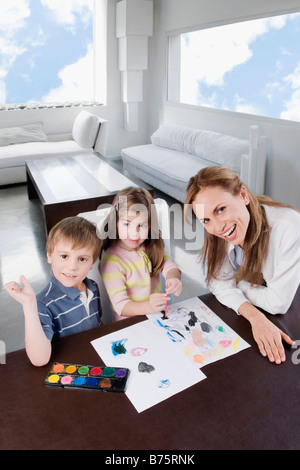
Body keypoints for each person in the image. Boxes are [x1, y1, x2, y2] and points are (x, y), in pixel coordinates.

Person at [185, 165, 300, 365]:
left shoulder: (288, 228)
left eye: (221, 209)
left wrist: (236, 283)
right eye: (206, 220)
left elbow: (277, 303)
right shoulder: (220, 229)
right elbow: (217, 282)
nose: (217, 226)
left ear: (243, 195)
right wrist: (254, 316)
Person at [5, 216, 102, 367]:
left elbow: (97, 326)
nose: (72, 266)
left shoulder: (93, 287)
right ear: (49, 255)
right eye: (64, 256)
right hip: (69, 369)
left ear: (92, 263)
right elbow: (39, 360)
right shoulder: (43, 305)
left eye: (82, 259)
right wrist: (29, 305)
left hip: (97, 359)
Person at [99, 187, 182, 321]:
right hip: (129, 324)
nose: (134, 233)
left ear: (150, 226)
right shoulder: (111, 261)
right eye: (127, 224)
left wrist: (174, 278)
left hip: (156, 318)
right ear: (115, 223)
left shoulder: (150, 247)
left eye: (141, 225)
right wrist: (149, 306)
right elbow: (121, 306)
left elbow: (170, 266)